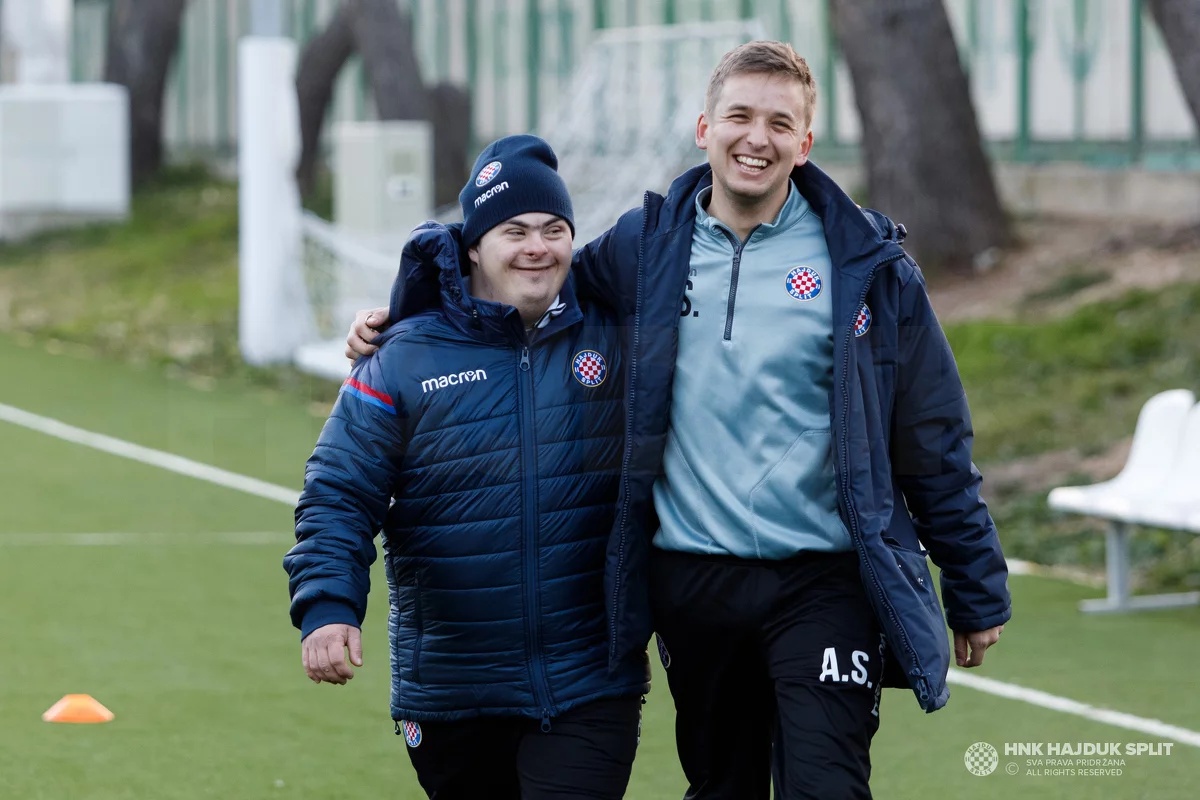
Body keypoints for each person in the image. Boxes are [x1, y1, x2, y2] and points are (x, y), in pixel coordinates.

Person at [346, 41, 1011, 800]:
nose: (756, 138)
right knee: (721, 787)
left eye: (779, 123)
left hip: (825, 580)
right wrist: (411, 313)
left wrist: (974, 581)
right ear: (704, 128)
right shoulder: (643, 248)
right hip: (694, 583)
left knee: (827, 784)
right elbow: (524, 275)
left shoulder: (868, 266)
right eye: (739, 116)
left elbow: (931, 434)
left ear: (806, 143)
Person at [285, 134, 651, 800]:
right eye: (515, 230)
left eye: (554, 229)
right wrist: (329, 607)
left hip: (589, 682)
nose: (537, 246)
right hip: (453, 691)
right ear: (474, 245)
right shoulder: (402, 358)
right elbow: (338, 493)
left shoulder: (618, 334)